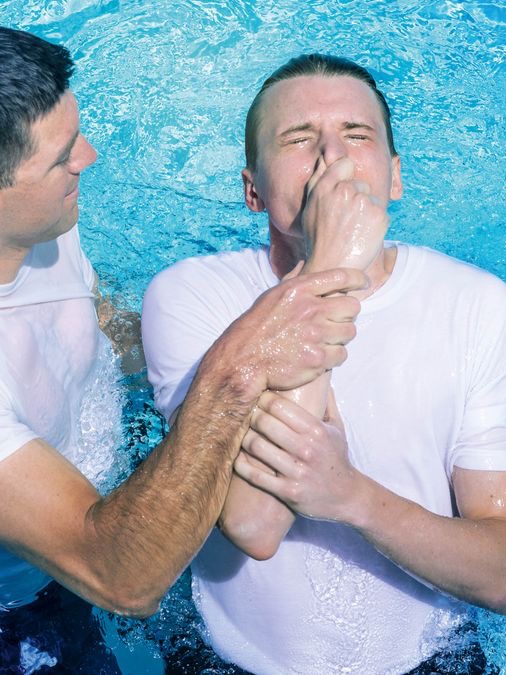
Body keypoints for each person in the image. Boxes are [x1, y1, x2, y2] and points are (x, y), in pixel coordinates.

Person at [141, 54, 506, 674]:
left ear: (395, 176)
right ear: (253, 189)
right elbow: (254, 521)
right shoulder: (191, 296)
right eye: (299, 139)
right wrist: (332, 265)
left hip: (432, 659)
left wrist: (352, 497)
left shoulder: (477, 303)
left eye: (357, 136)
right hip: (231, 661)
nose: (333, 157)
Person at [0, 28, 366, 671]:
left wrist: (188, 335)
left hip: (116, 483)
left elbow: (99, 325)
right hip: (30, 599)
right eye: (61, 157)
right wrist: (241, 359)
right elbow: (123, 578)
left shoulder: (41, 226)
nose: (87, 157)